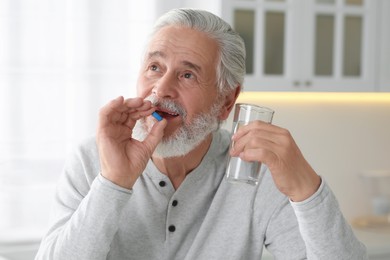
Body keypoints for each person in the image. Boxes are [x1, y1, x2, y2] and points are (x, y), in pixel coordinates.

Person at [35, 8, 367, 260]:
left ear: (226, 101)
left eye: (188, 74)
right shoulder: (91, 160)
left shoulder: (255, 171)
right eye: (155, 67)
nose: (162, 88)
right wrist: (113, 183)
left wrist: (306, 189)